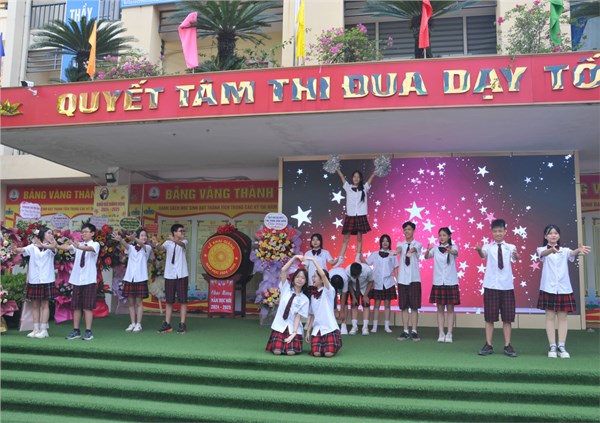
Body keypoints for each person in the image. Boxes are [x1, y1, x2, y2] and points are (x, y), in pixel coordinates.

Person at [536, 224, 591, 358]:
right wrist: (551, 250)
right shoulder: (541, 249)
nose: (553, 235)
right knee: (550, 317)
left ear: (559, 236)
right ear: (545, 236)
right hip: (548, 288)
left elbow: (572, 254)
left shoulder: (565, 250)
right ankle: (552, 346)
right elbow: (543, 254)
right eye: (550, 233)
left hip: (563, 288)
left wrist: (578, 250)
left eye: (555, 233)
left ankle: (561, 346)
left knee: (563, 318)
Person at [475, 219, 519, 357]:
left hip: (506, 286)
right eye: (495, 231)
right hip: (491, 286)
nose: (498, 233)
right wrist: (479, 250)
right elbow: (483, 255)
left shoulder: (510, 247)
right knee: (489, 318)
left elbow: (515, 258)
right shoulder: (488, 247)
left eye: (500, 231)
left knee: (507, 318)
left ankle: (507, 345)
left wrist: (516, 255)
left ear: (505, 231)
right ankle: (488, 345)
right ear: (492, 232)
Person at [13, 227, 57, 338]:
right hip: (35, 279)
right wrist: (15, 248)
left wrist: (43, 244)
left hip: (46, 279)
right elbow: (22, 250)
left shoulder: (52, 248)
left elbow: (53, 246)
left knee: (45, 304)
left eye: (51, 233)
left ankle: (44, 330)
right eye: (48, 233)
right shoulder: (33, 247)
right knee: (35, 305)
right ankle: (36, 329)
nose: (51, 235)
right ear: (42, 234)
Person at [58, 223, 100, 341]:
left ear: (92, 233)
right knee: (76, 306)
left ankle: (88, 331)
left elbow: (90, 249)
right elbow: (67, 248)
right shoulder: (79, 245)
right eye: (82, 232)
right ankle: (76, 330)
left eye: (86, 232)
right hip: (77, 280)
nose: (83, 234)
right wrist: (55, 244)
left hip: (89, 280)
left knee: (87, 307)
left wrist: (78, 246)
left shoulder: (95, 244)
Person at [266, 255, 310, 355]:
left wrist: (293, 333)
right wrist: (294, 258)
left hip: (293, 328)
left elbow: (297, 317)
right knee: (277, 351)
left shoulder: (305, 299)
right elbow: (283, 270)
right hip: (280, 325)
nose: (300, 279)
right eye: (298, 277)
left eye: (303, 278)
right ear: (293, 278)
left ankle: (293, 338)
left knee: (291, 352)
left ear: (306, 281)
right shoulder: (285, 288)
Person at [114, 228, 153, 333]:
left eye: (145, 236)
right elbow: (126, 245)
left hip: (141, 278)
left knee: (139, 302)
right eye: (142, 235)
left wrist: (133, 238)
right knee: (130, 302)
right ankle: (132, 323)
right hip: (130, 278)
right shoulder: (131, 248)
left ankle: (138, 324)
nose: (144, 237)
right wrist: (120, 239)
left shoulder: (147, 248)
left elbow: (141, 244)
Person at [425, 227, 460, 343]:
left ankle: (449, 333)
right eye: (440, 235)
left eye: (444, 235)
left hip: (450, 282)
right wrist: (427, 251)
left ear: (449, 236)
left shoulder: (453, 247)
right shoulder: (435, 249)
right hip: (438, 282)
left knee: (450, 308)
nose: (442, 237)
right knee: (440, 308)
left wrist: (450, 251)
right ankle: (441, 332)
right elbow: (427, 257)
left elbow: (456, 253)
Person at [336, 168, 376, 265]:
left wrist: (374, 173)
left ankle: (357, 259)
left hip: (360, 215)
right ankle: (340, 259)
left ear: (360, 178)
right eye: (354, 176)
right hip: (351, 215)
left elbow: (370, 179)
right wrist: (338, 170)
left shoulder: (364, 188)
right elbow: (342, 177)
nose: (356, 178)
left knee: (359, 238)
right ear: (352, 178)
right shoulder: (348, 187)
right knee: (346, 238)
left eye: (358, 177)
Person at [304, 257, 342, 357]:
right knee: (316, 353)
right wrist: (308, 331)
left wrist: (313, 260)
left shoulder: (329, 291)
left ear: (321, 279)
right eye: (312, 277)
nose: (313, 279)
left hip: (330, 328)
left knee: (328, 353)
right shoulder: (313, 296)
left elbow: (323, 275)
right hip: (317, 329)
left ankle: (335, 343)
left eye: (315, 277)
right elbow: (312, 315)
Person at [157, 224, 189, 334]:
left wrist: (173, 240)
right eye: (180, 231)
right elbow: (160, 249)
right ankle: (167, 324)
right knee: (169, 301)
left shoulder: (184, 242)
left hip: (182, 275)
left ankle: (182, 324)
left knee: (183, 301)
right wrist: (156, 244)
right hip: (170, 275)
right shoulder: (168, 243)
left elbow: (181, 244)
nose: (183, 232)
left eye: (183, 231)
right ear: (174, 232)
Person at [363, 234, 398, 334]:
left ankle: (387, 326)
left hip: (388, 282)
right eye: (383, 241)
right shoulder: (375, 254)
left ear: (389, 243)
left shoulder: (393, 254)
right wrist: (359, 254)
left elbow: (395, 268)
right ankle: (374, 326)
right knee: (377, 304)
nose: (385, 243)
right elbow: (366, 262)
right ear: (380, 243)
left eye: (387, 241)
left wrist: (398, 281)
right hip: (377, 282)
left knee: (387, 304)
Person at [396, 222, 423, 342]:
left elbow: (414, 249)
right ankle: (405, 331)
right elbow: (399, 249)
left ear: (413, 231)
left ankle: (414, 331)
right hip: (402, 279)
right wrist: (396, 251)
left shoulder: (418, 244)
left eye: (409, 229)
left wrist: (411, 250)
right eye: (405, 229)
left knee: (414, 307)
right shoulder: (400, 244)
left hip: (414, 279)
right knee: (404, 307)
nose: (406, 231)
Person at [345, 262, 374, 336]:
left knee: (366, 305)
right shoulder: (347, 270)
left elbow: (371, 282)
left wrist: (365, 295)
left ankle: (365, 327)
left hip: (366, 287)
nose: (355, 277)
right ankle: (354, 327)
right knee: (354, 305)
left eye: (356, 276)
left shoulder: (368, 270)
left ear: (360, 272)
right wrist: (353, 297)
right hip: (354, 287)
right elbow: (349, 283)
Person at [329, 266, 349, 334]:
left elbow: (344, 295)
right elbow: (333, 296)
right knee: (330, 304)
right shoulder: (328, 278)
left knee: (345, 303)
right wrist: (336, 310)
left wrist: (341, 311)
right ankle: (333, 325)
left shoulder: (345, 278)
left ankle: (344, 325)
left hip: (342, 283)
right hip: (332, 287)